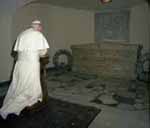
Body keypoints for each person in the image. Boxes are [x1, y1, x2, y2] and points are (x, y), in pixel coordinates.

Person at [0, 20, 49, 119]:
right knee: (29, 86)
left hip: (20, 64)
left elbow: (18, 51)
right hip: (31, 64)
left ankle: (11, 103)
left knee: (18, 84)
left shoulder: (22, 33)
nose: (41, 29)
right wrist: (41, 53)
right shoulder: (38, 35)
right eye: (40, 27)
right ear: (38, 27)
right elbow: (43, 52)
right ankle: (11, 108)